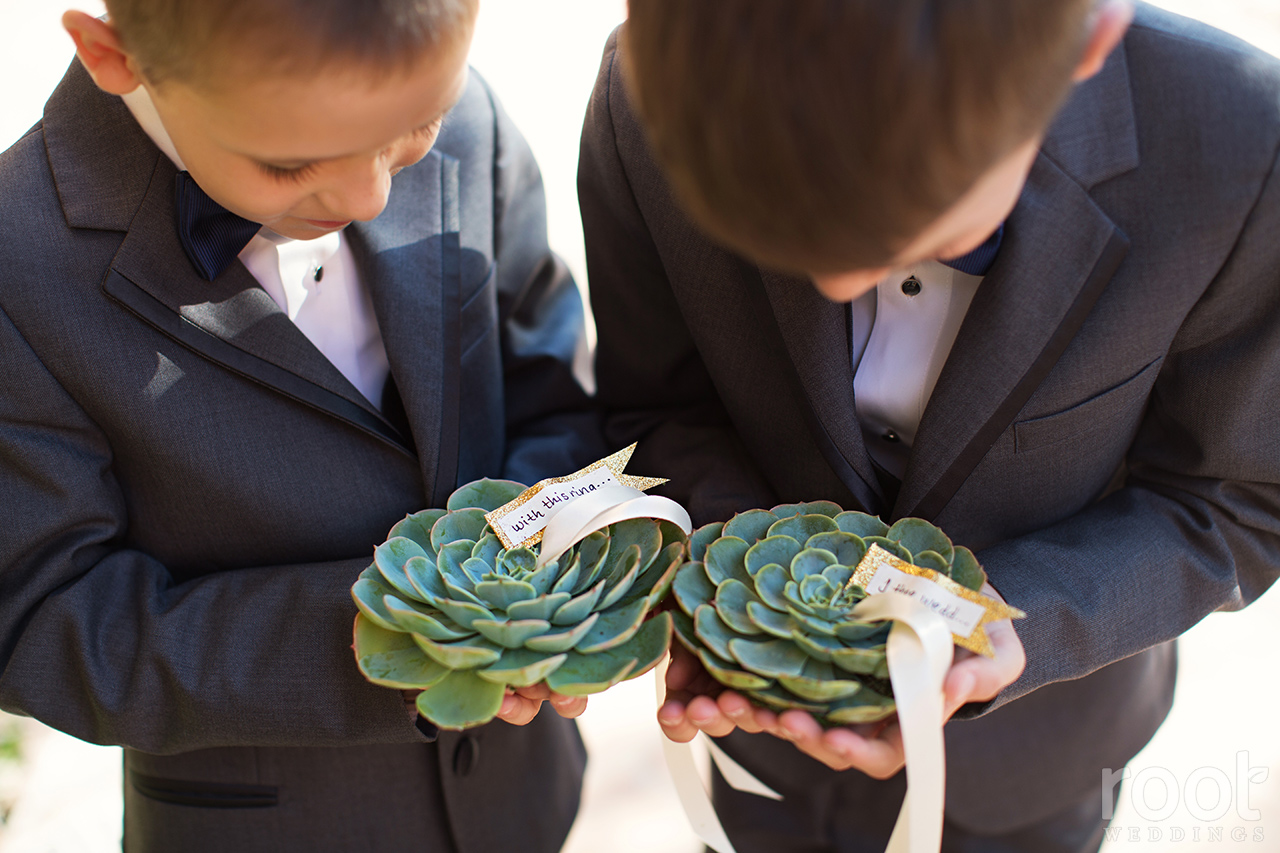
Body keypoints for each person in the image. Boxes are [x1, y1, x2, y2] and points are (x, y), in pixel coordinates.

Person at [579, 0, 1280, 850]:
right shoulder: (650, 95)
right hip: (764, 734)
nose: (838, 283)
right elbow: (659, 405)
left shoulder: (1240, 147)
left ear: (1085, 41)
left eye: (919, 230)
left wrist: (1026, 626)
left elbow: (1236, 496)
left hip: (1039, 754)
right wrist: (742, 599)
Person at [0, 1, 604, 850]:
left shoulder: (469, 117)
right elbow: (40, 618)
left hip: (523, 796)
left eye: (416, 128)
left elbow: (551, 386)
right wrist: (397, 635)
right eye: (289, 165)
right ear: (111, 55)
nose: (372, 193)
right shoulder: (17, 264)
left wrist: (550, 578)